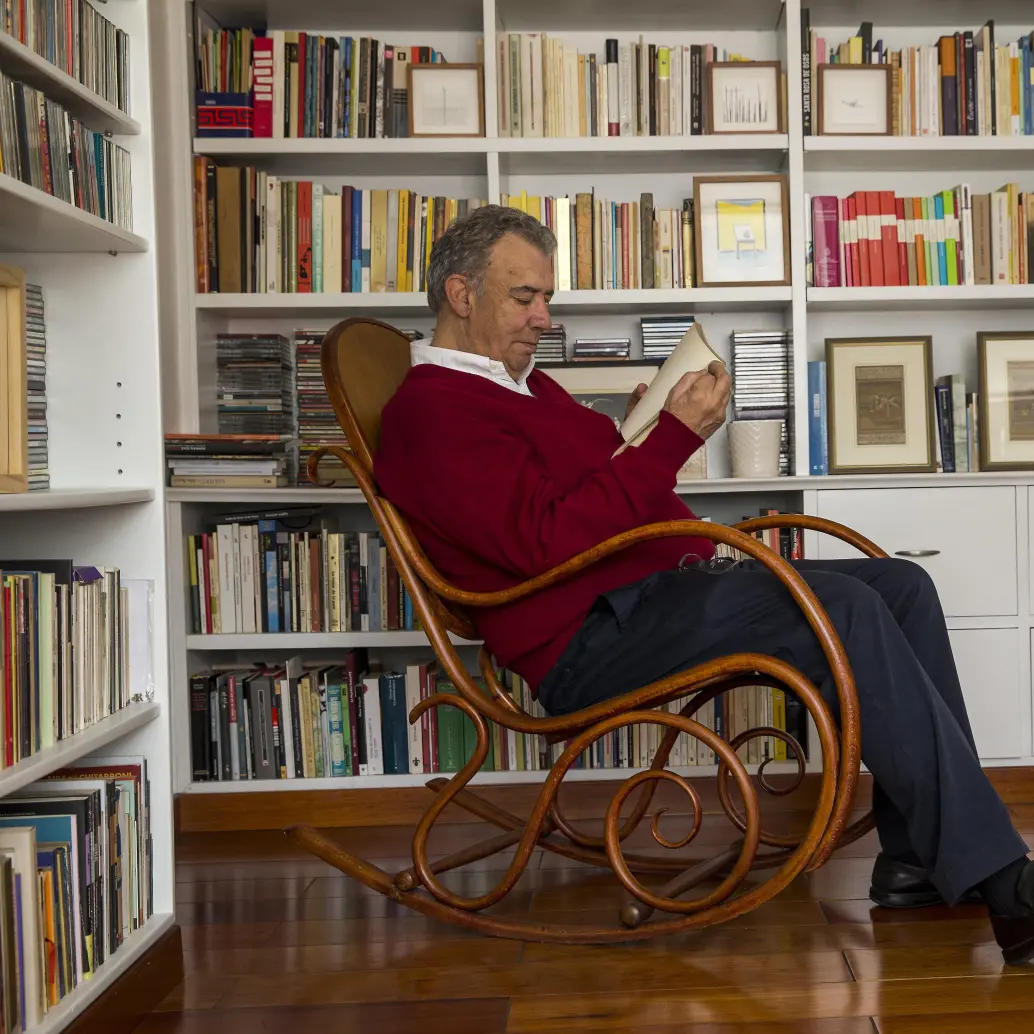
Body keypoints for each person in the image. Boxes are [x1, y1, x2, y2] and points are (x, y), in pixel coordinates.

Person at [373, 204, 1034, 964]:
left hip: (661, 589)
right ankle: (1005, 882)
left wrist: (638, 431)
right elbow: (544, 544)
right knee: (845, 608)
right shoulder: (433, 410)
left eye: (546, 298)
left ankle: (916, 859)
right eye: (525, 297)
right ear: (460, 294)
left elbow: (589, 487)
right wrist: (673, 438)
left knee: (902, 586)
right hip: (591, 635)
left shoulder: (521, 385)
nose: (543, 318)